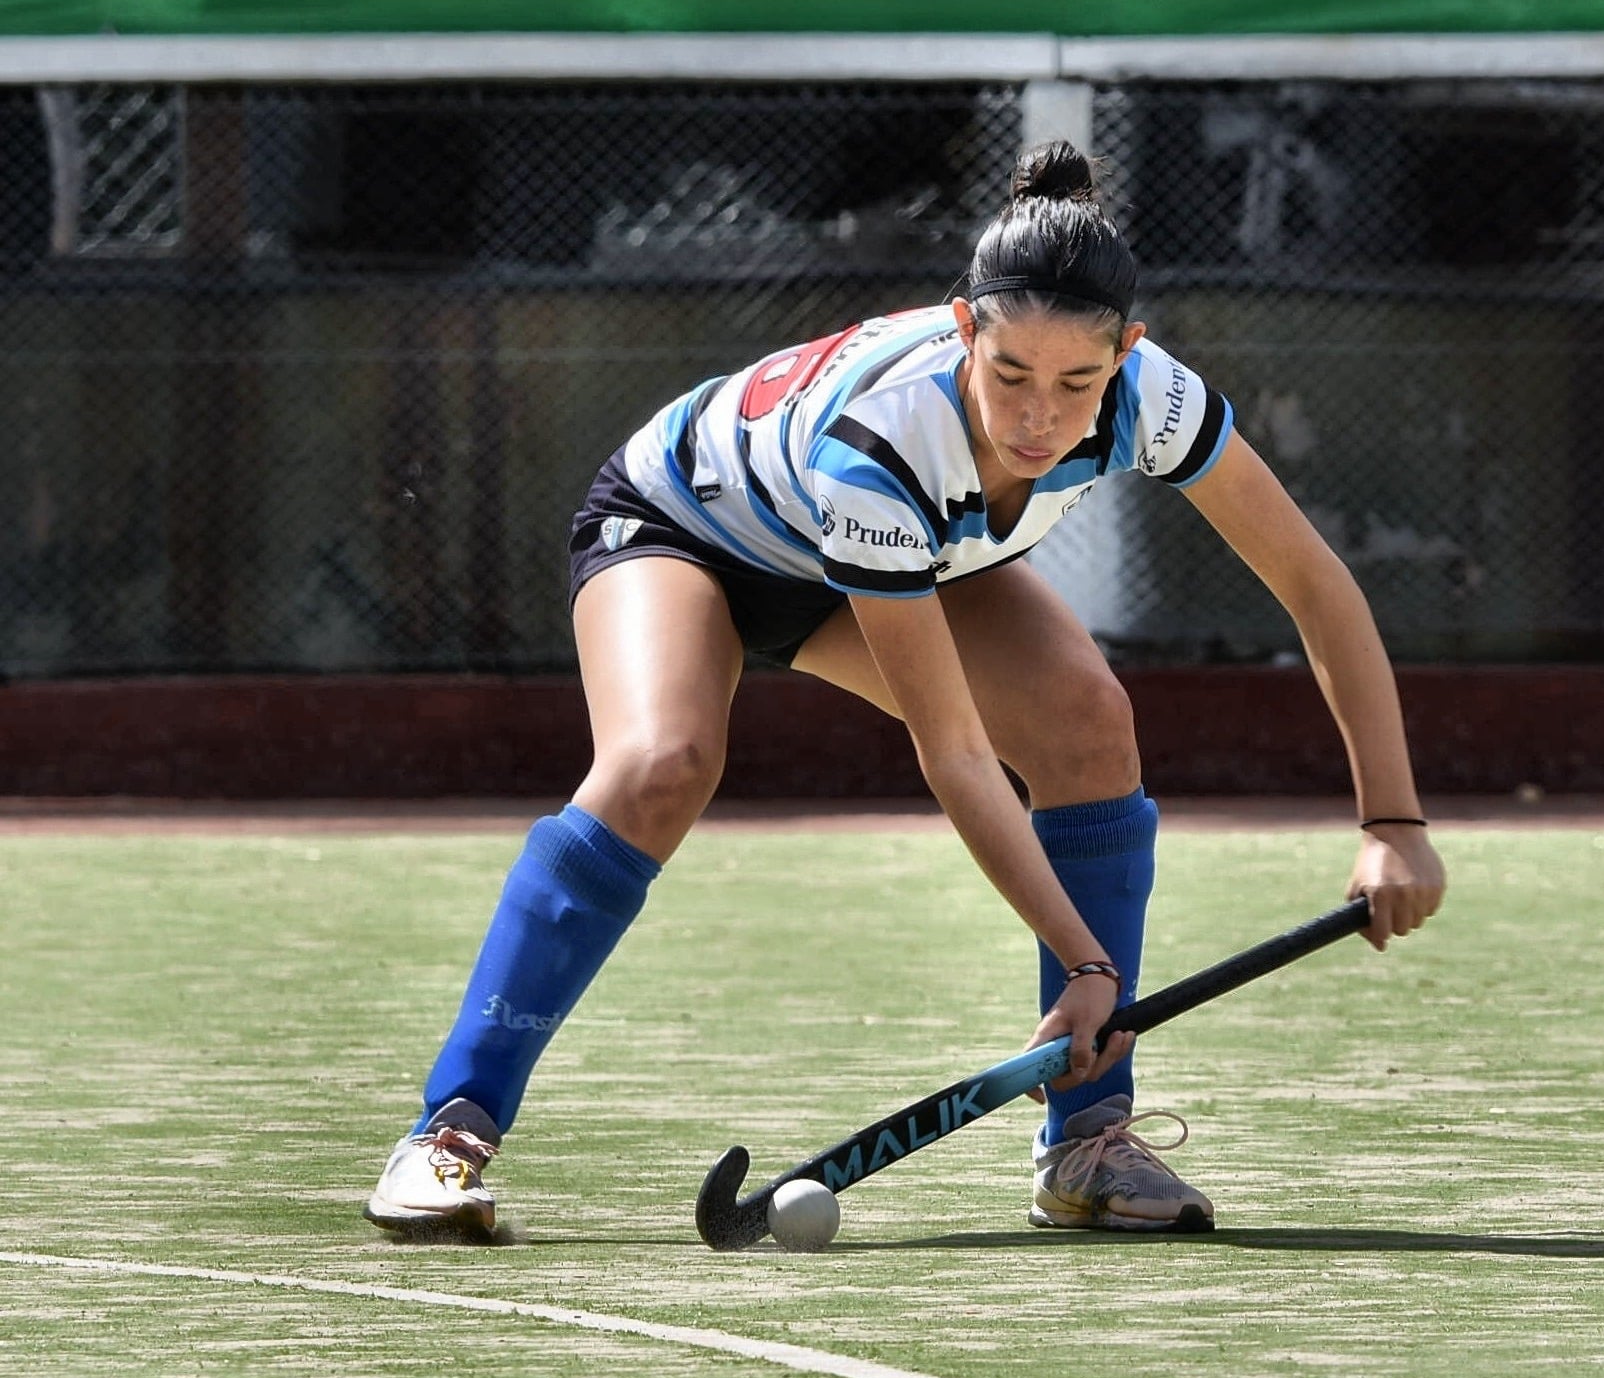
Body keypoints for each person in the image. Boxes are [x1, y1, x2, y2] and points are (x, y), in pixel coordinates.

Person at [364, 141, 1446, 1241]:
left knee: (1086, 723)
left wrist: (1393, 822)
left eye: (1078, 382)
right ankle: (449, 1131)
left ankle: (1086, 1143)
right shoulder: (883, 441)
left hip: (888, 559)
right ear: (965, 328)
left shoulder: (1154, 404)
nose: (1039, 418)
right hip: (683, 528)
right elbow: (957, 752)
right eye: (1011, 374)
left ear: (1130, 351)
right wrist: (1087, 962)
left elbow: (1317, 588)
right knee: (660, 765)